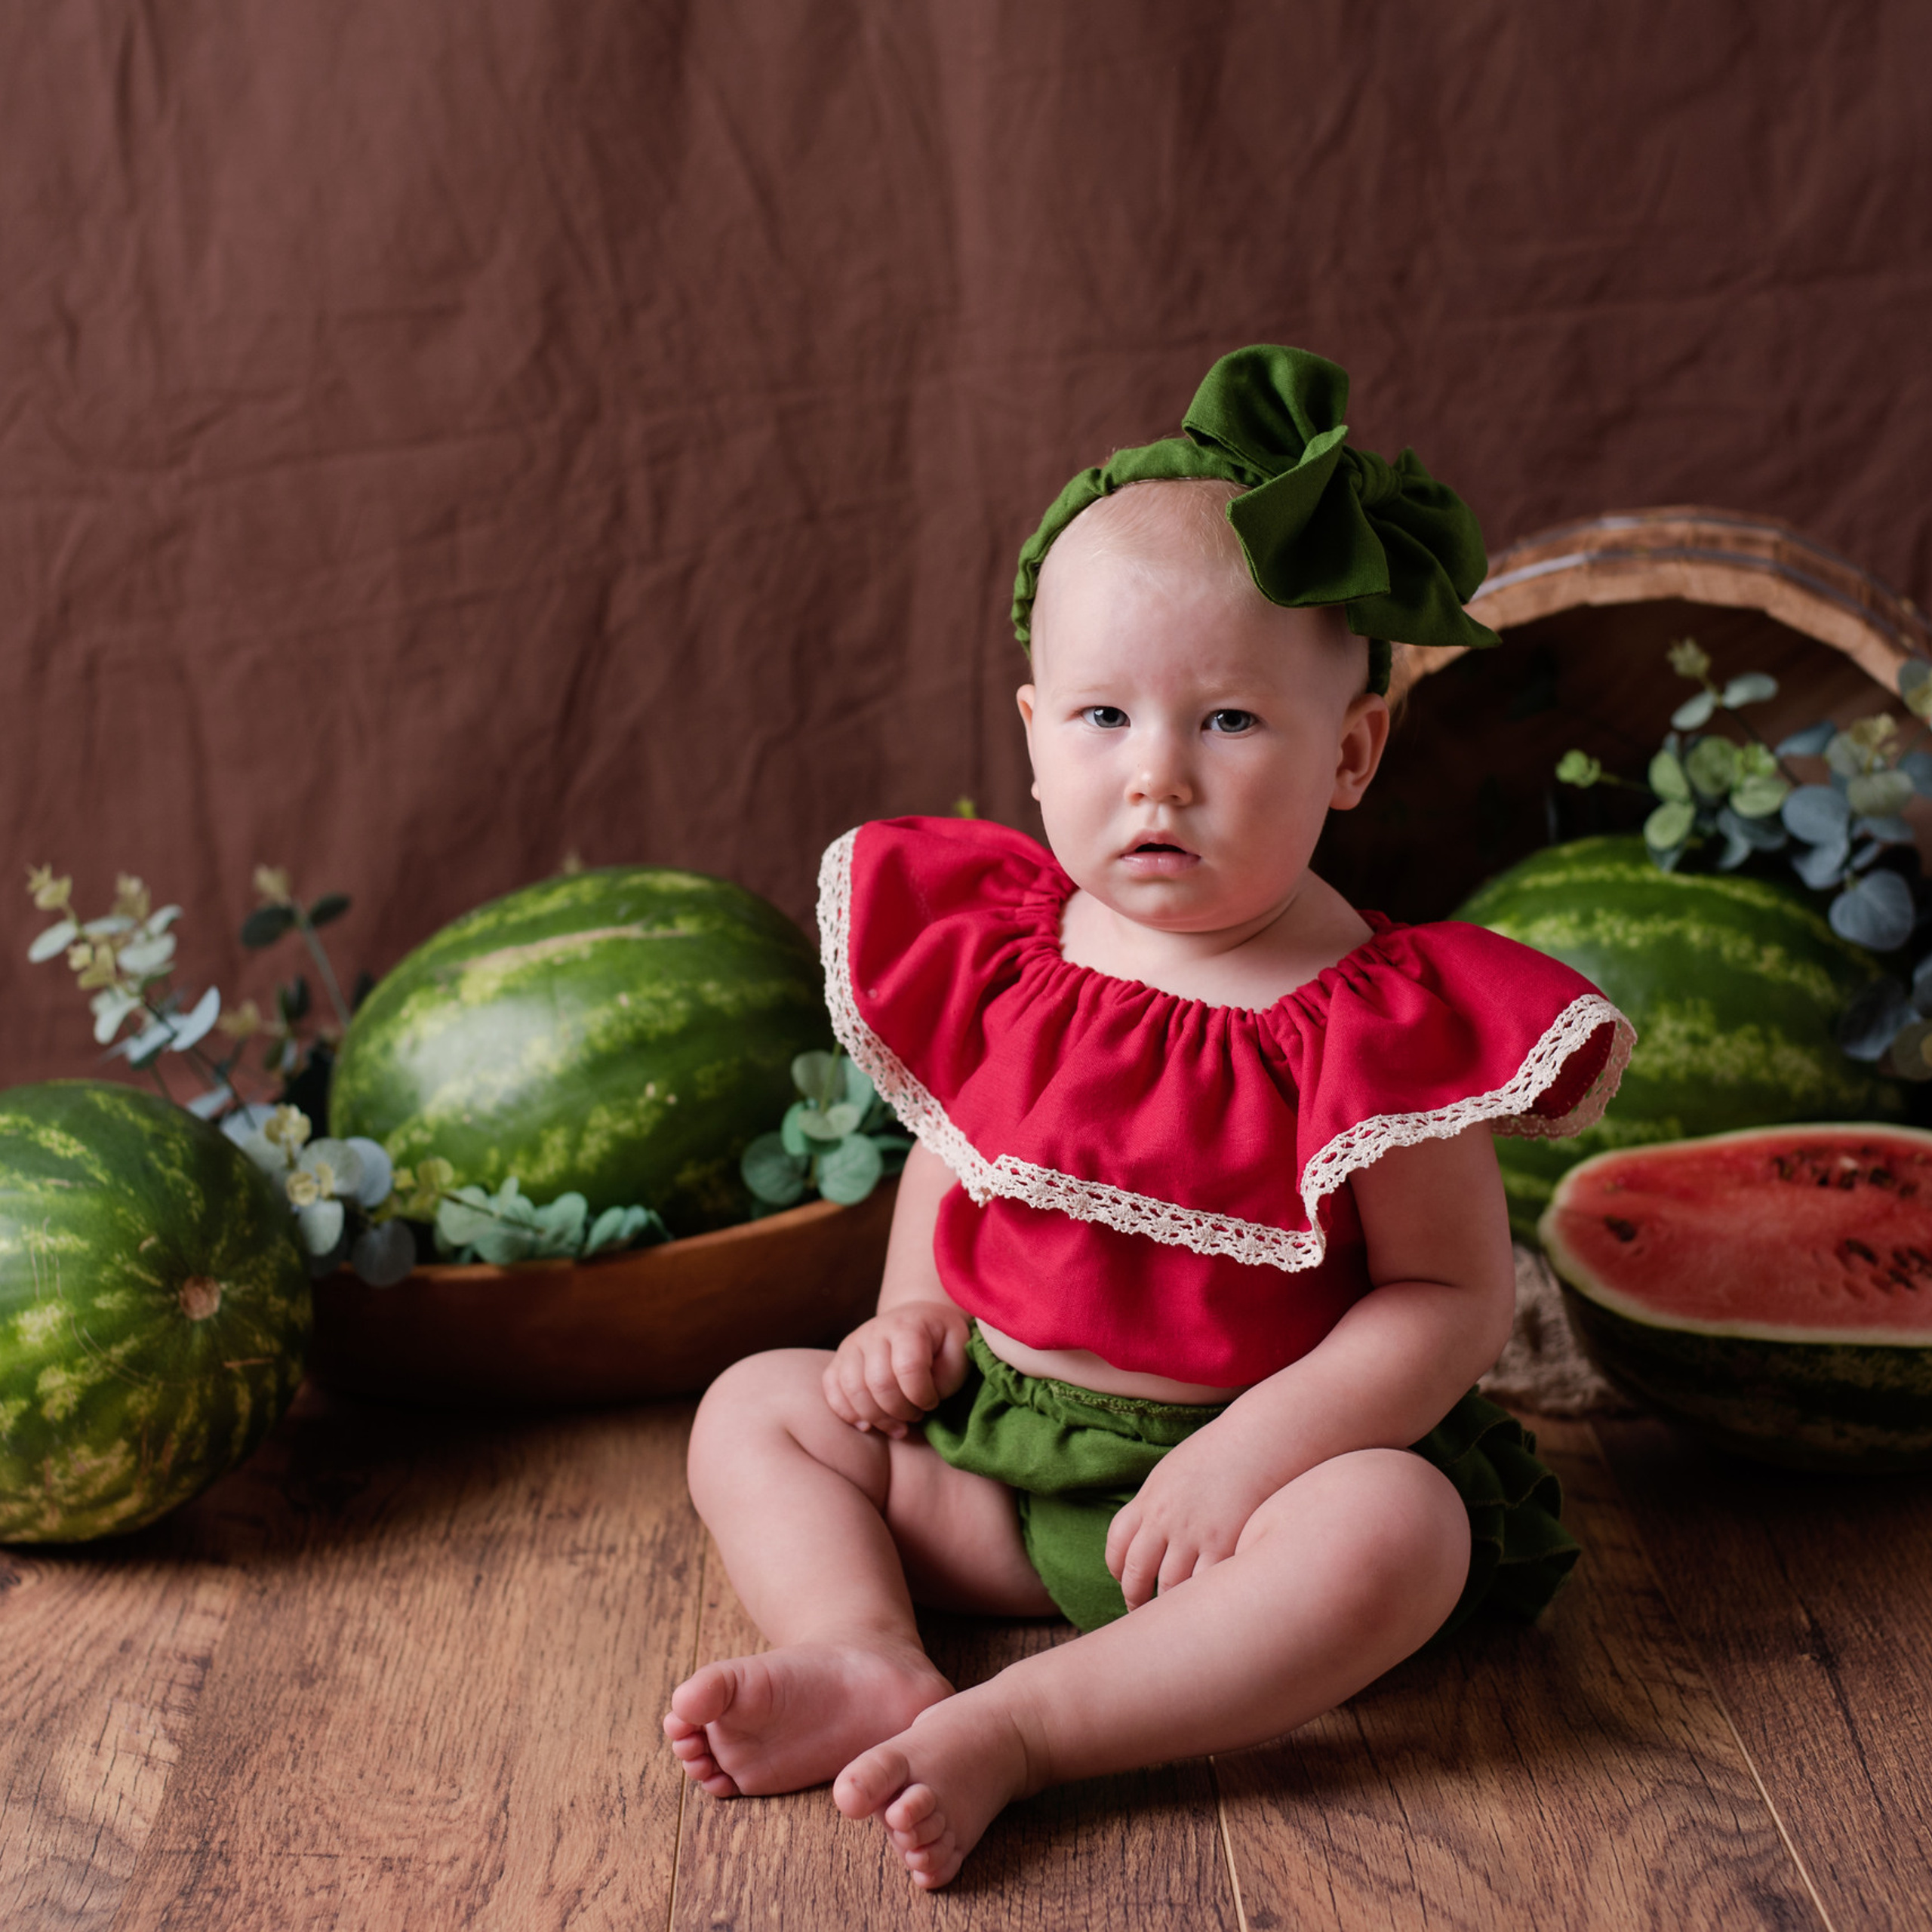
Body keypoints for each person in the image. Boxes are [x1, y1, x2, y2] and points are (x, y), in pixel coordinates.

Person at [663, 346, 1632, 1890]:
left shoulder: (1377, 1022)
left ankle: (1033, 1726)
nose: (1156, 778)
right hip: (988, 1470)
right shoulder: (1002, 947)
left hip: (1239, 1522)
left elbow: (1448, 1297)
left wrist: (1257, 1450)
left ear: (1351, 752)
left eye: (1230, 722)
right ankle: (862, 1651)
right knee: (755, 1405)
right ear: (1035, 731)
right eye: (1105, 716)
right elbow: (952, 1147)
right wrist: (908, 1312)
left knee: (1401, 1528)